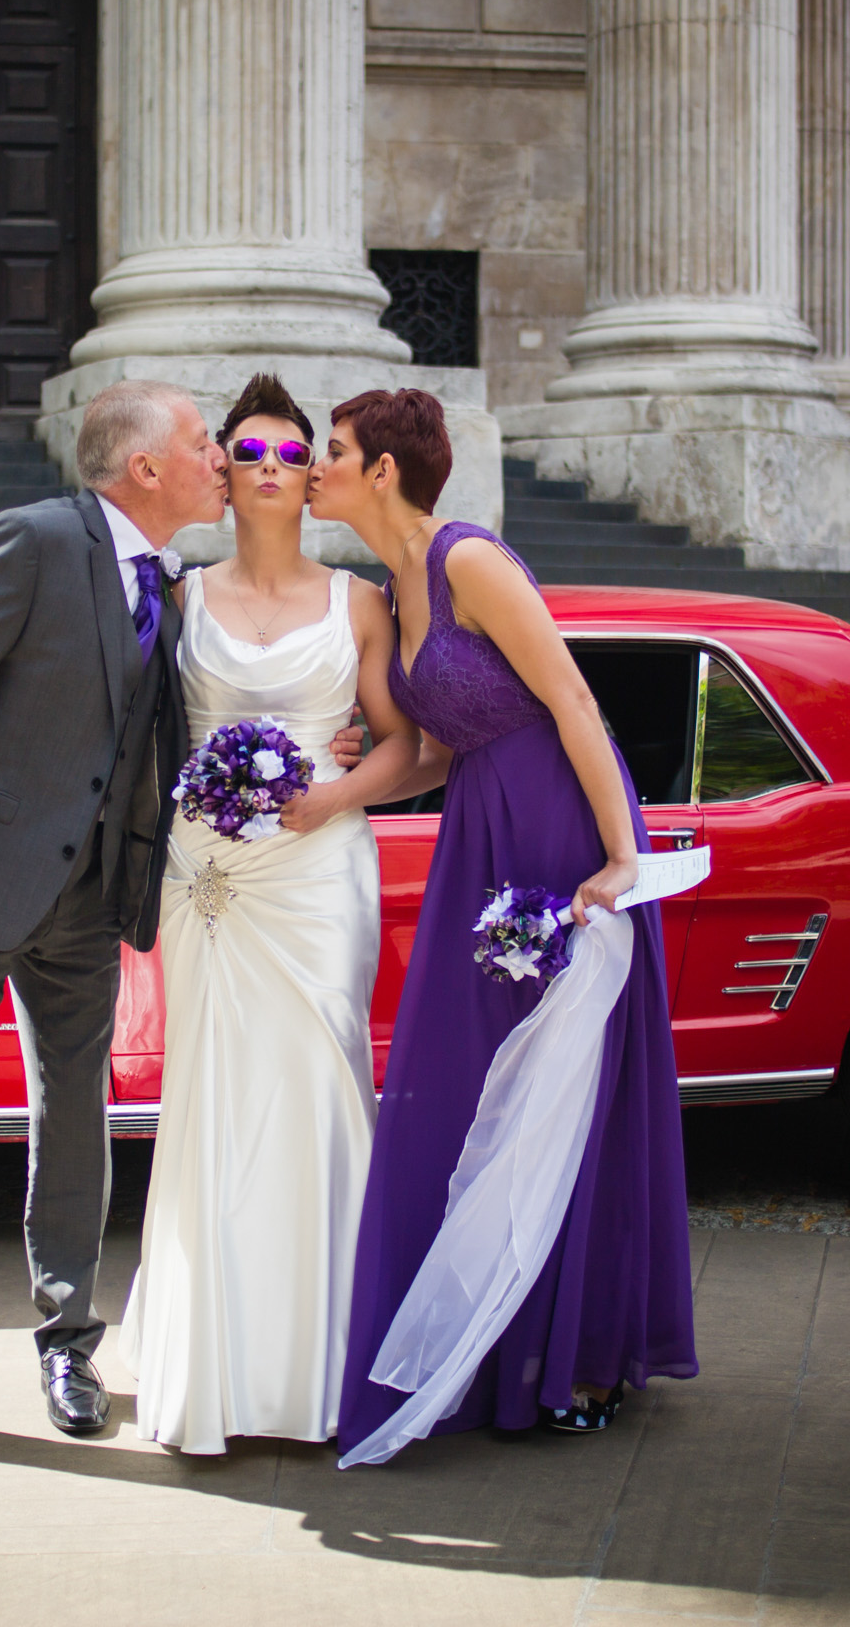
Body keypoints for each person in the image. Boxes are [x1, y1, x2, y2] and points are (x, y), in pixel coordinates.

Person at [308, 387, 698, 1467]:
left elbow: (572, 702)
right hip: (478, 836)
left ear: (383, 471)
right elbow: (440, 751)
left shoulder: (472, 560)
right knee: (474, 1090)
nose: (312, 464)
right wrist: (355, 777)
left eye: (330, 451)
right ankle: (478, 1349)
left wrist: (623, 861)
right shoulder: (392, 584)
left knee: (566, 1095)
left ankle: (576, 1353)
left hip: (562, 836)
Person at [0, 379, 228, 1470]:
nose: (220, 458)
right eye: (204, 442)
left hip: (89, 901)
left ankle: (70, 1342)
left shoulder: (167, 580)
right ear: (146, 469)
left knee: (78, 1119)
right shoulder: (26, 541)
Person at [115, 374, 424, 1455]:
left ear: (313, 475)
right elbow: (131, 728)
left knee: (320, 1085)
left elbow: (405, 745)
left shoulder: (362, 601)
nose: (266, 468)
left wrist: (332, 792)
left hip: (319, 874)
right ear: (224, 473)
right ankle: (214, 1363)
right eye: (243, 451)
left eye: (291, 453)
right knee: (212, 1103)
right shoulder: (180, 594)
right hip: (208, 882)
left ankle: (326, 1363)